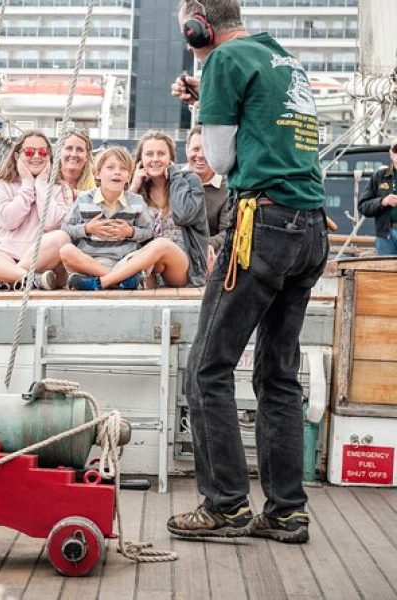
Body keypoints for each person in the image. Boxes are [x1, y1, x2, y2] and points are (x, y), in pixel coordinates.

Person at [167, 0, 328, 544]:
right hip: (309, 229)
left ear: (198, 26)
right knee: (278, 375)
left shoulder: (221, 62)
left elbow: (221, 159)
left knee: (208, 367)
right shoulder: (279, 57)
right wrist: (206, 98)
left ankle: (225, 504)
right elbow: (264, 126)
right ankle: (286, 511)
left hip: (261, 226)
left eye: (187, 31)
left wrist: (206, 89)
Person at [67, 131, 209, 290]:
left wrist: (175, 176)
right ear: (141, 161)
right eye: (149, 154)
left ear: (171, 159)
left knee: (161, 245)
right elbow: (121, 224)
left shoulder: (188, 181)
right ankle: (118, 280)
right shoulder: (135, 191)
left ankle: (103, 282)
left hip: (182, 265)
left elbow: (184, 215)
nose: (155, 159)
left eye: (161, 154)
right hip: (146, 268)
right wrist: (133, 186)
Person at [0, 129, 93, 290]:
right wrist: (27, 184)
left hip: (41, 258)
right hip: (3, 256)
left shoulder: (61, 189)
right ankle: (26, 279)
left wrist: (41, 184)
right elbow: (8, 221)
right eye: (28, 152)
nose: (36, 156)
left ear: (49, 157)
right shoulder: (2, 185)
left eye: (42, 152)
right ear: (16, 156)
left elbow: (51, 222)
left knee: (61, 238)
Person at [57, 146, 153, 290]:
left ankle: (98, 282)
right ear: (97, 174)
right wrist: (87, 228)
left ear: (128, 177)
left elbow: (149, 231)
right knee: (66, 251)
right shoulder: (84, 200)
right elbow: (66, 227)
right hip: (92, 261)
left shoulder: (136, 202)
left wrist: (131, 232)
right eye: (110, 167)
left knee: (149, 254)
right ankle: (118, 280)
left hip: (124, 261)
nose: (117, 172)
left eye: (123, 169)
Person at [185, 125, 230, 264]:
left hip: (208, 257)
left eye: (207, 150)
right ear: (187, 150)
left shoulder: (227, 188)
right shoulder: (172, 180)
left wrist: (207, 244)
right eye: (196, 149)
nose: (201, 155)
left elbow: (228, 231)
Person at [358, 139, 397, 255]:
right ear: (391, 153)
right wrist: (383, 202)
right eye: (396, 149)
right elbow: (363, 206)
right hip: (386, 235)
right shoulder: (379, 176)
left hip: (385, 235)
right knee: (384, 271)